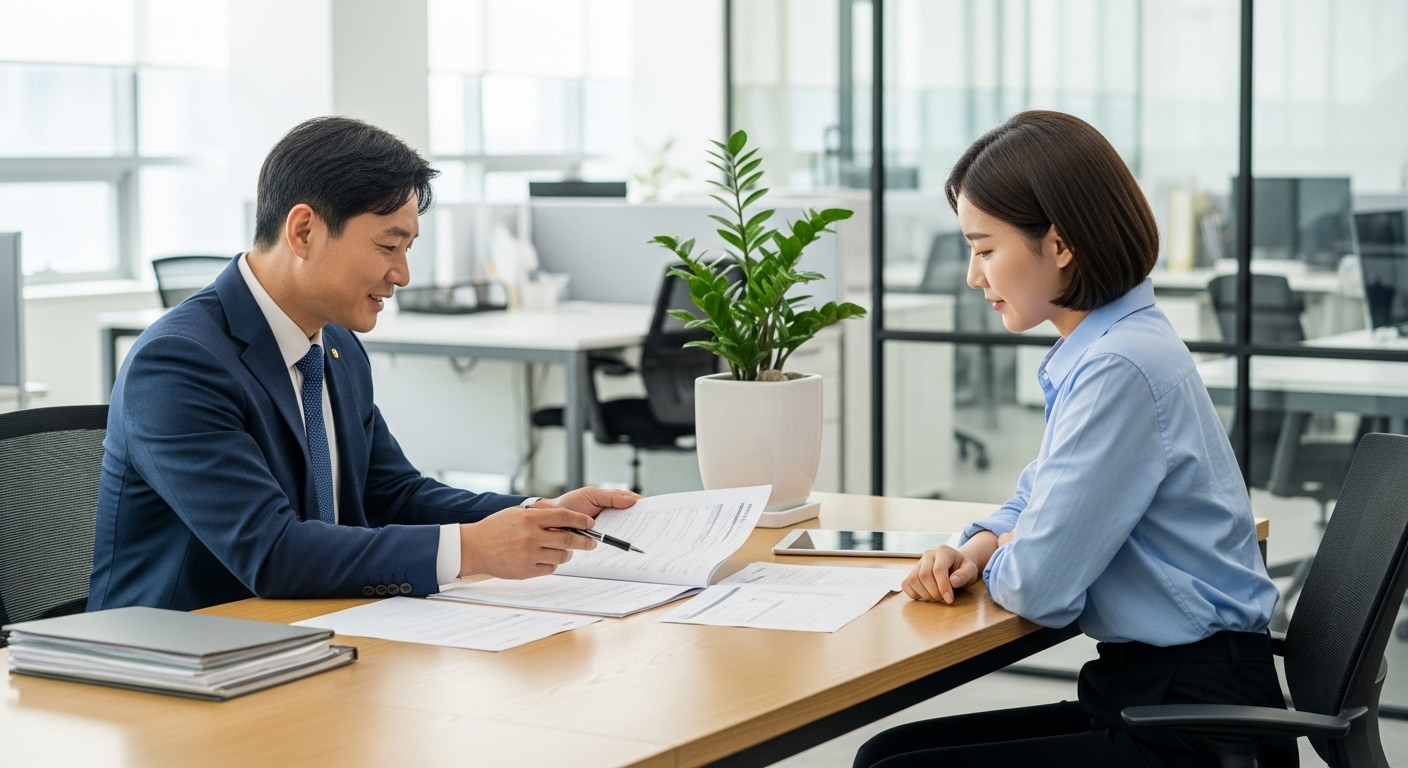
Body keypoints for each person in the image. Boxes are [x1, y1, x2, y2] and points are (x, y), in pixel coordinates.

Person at [854, 111, 1294, 768]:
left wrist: (1012, 552)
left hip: (1196, 722)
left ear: (1058, 244)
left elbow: (1039, 587)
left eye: (984, 249)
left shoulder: (1118, 366)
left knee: (893, 766)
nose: (974, 276)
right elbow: (1037, 498)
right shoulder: (1108, 347)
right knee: (886, 753)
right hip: (1156, 693)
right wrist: (979, 546)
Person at [89, 117, 635, 611]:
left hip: (309, 627)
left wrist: (542, 514)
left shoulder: (336, 346)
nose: (403, 275)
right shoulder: (179, 363)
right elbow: (271, 553)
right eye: (388, 247)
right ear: (303, 231)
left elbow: (393, 494)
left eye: (407, 249)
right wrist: (472, 549)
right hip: (179, 652)